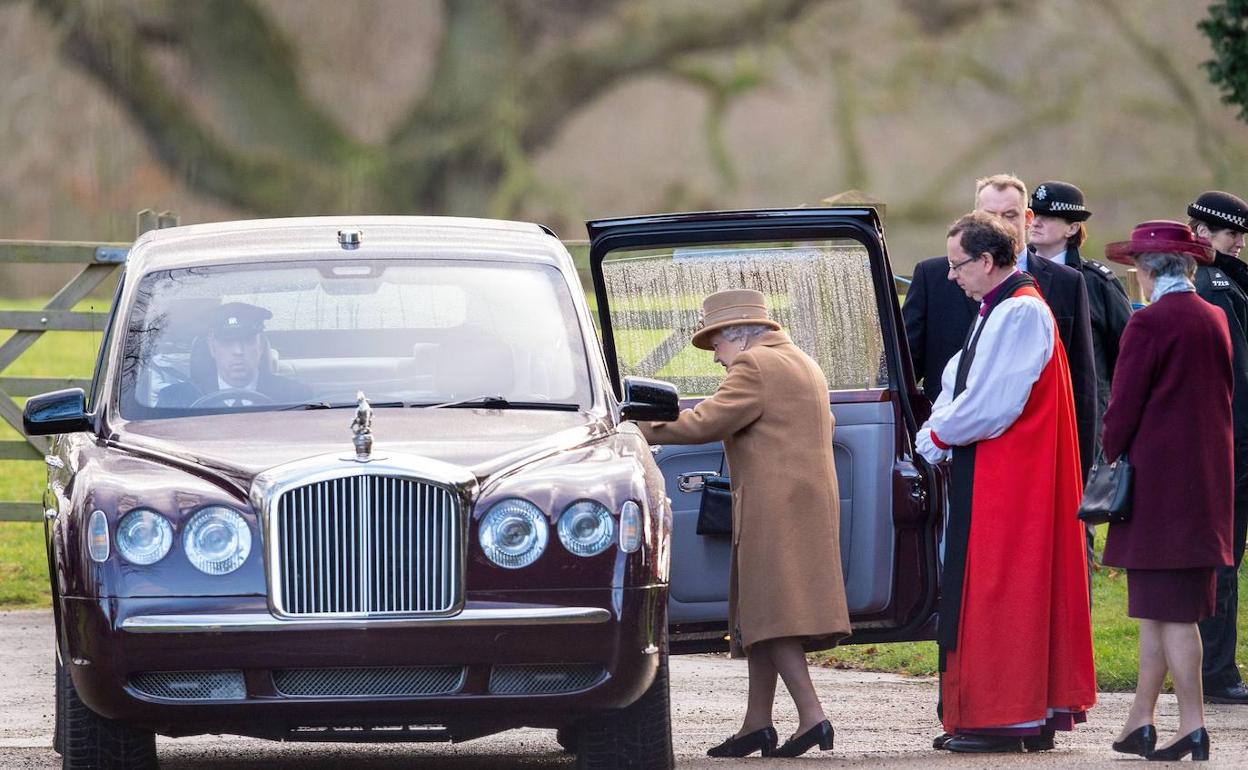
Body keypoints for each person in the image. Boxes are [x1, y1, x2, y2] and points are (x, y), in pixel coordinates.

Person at [637, 289, 849, 759]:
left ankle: (813, 718)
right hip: (801, 505)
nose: (715, 356)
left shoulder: (754, 366)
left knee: (774, 618)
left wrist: (637, 429)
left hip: (775, 507)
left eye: (715, 344)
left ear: (737, 335)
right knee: (761, 614)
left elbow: (704, 423)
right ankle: (757, 724)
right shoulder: (801, 361)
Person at [916, 212, 1095, 754]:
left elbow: (994, 402)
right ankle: (998, 715)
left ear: (988, 261)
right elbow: (958, 381)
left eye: (958, 265)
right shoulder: (998, 308)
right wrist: (936, 427)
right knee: (988, 587)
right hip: (997, 470)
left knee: (1000, 589)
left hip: (1012, 477)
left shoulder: (1020, 312)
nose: (951, 276)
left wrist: (935, 439)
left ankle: (1003, 718)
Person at [1101, 220, 1234, 760]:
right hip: (1205, 483)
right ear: (1190, 266)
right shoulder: (1215, 317)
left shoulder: (1150, 323)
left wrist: (1107, 450)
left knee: (1174, 613)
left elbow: (1123, 407)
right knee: (1158, 607)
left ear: (1144, 271)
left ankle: (1194, 725)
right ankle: (1141, 719)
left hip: (1157, 488)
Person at [903, 174, 1097, 479]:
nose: (1001, 225)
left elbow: (1081, 384)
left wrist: (1079, 471)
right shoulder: (932, 276)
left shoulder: (1056, 288)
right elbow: (905, 369)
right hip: (948, 454)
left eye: (1010, 215)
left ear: (1027, 218)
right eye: (990, 216)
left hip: (1026, 453)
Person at [1187, 190, 1248, 706]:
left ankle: (1216, 667)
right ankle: (1218, 672)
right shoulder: (1216, 287)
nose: (1239, 244)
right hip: (1231, 446)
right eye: (1231, 234)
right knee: (1223, 563)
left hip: (1229, 443)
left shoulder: (1220, 284)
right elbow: (1237, 380)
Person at [157, 301, 312, 408]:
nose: (238, 351)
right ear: (212, 347)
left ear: (261, 345)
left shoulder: (297, 398)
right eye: (227, 342)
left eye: (247, 341)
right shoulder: (175, 401)